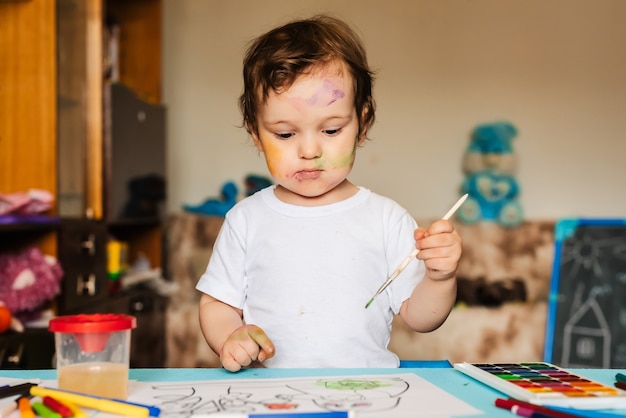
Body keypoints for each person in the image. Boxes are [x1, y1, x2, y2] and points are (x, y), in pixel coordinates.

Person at [196, 14, 462, 371]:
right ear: (256, 133)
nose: (309, 150)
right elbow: (218, 305)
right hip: (274, 397)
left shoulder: (386, 219)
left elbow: (421, 318)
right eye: (285, 134)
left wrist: (440, 277)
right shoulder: (245, 219)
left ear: (362, 124)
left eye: (332, 130)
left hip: (368, 393)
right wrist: (231, 337)